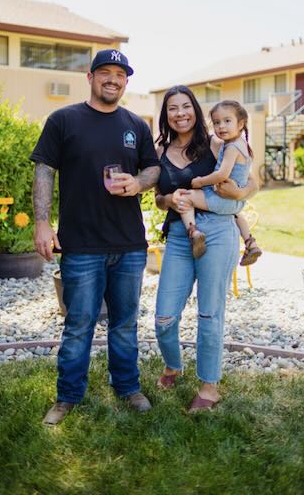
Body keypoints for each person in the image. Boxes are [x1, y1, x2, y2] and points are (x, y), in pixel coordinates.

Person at [30, 49, 160, 425]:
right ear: (90, 76)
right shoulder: (63, 120)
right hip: (81, 244)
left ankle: (128, 387)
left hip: (129, 245)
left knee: (125, 324)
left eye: (120, 75)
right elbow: (44, 170)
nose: (113, 80)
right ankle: (67, 396)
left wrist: (137, 182)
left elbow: (152, 168)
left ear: (126, 82)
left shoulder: (136, 124)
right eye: (105, 72)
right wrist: (42, 222)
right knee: (79, 324)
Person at [154, 85, 257, 412]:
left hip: (216, 231)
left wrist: (239, 194)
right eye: (173, 108)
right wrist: (169, 199)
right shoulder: (160, 153)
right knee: (164, 317)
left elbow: (253, 179)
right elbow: (158, 198)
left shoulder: (215, 142)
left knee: (210, 312)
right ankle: (173, 364)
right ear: (166, 115)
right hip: (180, 235)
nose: (180, 113)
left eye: (186, 106)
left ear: (196, 112)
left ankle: (209, 387)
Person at [178, 99, 262, 265]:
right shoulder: (242, 145)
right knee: (236, 214)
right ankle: (250, 242)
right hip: (236, 204)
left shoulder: (231, 148)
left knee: (184, 197)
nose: (221, 126)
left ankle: (194, 233)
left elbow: (222, 174)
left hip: (222, 199)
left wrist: (200, 182)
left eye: (227, 121)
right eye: (216, 123)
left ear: (241, 124)